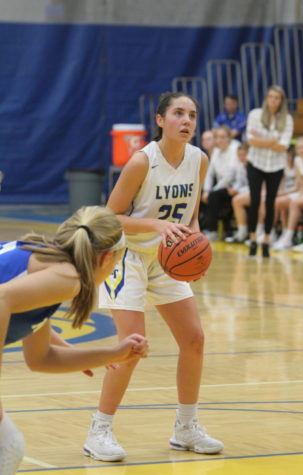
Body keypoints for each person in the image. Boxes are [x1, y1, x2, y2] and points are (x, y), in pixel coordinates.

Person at [84, 92, 224, 462]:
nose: (187, 120)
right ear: (161, 120)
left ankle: (186, 427)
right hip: (126, 254)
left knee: (194, 339)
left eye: (192, 114)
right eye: (178, 113)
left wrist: (196, 249)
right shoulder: (142, 162)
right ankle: (99, 430)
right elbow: (109, 217)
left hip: (167, 254)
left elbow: (192, 216)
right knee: (133, 345)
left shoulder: (199, 159)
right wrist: (156, 225)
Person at [0, 206, 148, 475]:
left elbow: (40, 358)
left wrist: (113, 354)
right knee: (7, 445)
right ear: (106, 258)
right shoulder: (66, 279)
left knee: (8, 444)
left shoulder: (45, 263)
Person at [246, 85, 294, 258]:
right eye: (271, 97)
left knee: (270, 202)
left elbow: (284, 146)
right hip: (255, 163)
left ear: (281, 101)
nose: (273, 100)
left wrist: (262, 140)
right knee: (255, 200)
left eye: (277, 97)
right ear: (266, 98)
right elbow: (251, 141)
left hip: (276, 166)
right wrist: (273, 140)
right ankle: (252, 240)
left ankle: (266, 240)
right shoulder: (255, 114)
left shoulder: (287, 119)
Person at [273, 137, 303, 251]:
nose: (301, 150)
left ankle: (289, 237)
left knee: (294, 203)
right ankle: (283, 233)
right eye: (299, 148)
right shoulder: (297, 160)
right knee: (279, 202)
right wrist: (301, 193)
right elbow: (301, 185)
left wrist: (302, 195)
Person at [201, 125, 240, 241]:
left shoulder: (235, 148)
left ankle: (212, 231)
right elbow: (210, 173)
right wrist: (206, 190)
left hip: (234, 185)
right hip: (220, 186)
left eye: (223, 137)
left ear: (229, 138)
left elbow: (230, 175)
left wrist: (212, 191)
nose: (220, 140)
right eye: (218, 137)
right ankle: (200, 228)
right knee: (200, 194)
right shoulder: (216, 151)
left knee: (214, 196)